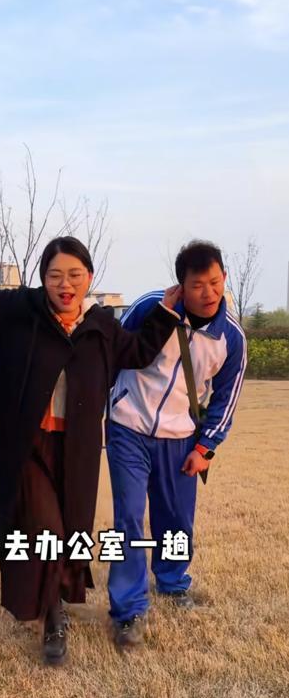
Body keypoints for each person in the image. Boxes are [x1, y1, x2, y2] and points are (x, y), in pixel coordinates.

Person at [0, 236, 181, 665]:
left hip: (75, 449)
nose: (65, 284)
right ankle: (54, 616)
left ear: (89, 277)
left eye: (75, 275)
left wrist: (166, 313)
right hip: (26, 446)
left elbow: (138, 351)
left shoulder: (101, 327)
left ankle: (55, 603)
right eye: (55, 275)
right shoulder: (22, 310)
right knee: (47, 529)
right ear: (43, 278)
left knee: (70, 527)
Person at [106, 239, 247, 646]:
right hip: (128, 426)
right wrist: (105, 407)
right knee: (129, 517)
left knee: (176, 518)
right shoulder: (150, 306)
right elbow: (113, 353)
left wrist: (205, 448)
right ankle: (129, 609)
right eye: (198, 285)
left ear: (224, 278)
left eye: (215, 282)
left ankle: (171, 581)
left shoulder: (231, 338)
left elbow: (226, 398)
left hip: (182, 438)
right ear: (180, 285)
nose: (209, 293)